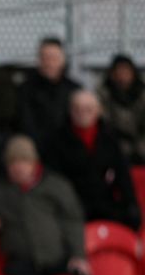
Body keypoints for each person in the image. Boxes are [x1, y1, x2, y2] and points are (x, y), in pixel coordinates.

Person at [0, 136, 91, 275]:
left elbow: (73, 219)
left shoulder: (55, 185)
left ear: (34, 162)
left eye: (24, 161)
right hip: (20, 262)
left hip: (56, 259)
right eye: (13, 162)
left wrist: (78, 255)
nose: (18, 167)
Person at [46, 89, 141, 231]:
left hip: (105, 204)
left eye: (88, 109)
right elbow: (55, 180)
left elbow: (123, 177)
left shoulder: (109, 139)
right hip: (73, 205)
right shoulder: (57, 141)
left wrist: (131, 207)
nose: (82, 113)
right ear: (70, 111)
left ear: (98, 111)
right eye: (77, 108)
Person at [19, 37, 80, 154]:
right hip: (36, 149)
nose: (49, 63)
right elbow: (26, 123)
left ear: (62, 60)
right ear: (39, 60)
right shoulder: (26, 89)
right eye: (45, 58)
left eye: (54, 58)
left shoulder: (74, 90)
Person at [97, 54, 145, 164]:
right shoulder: (103, 93)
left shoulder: (142, 92)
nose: (122, 76)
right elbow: (104, 122)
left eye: (126, 71)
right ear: (112, 74)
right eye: (118, 72)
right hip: (115, 141)